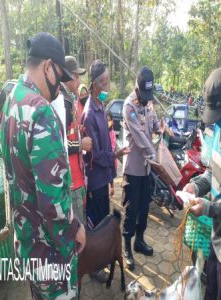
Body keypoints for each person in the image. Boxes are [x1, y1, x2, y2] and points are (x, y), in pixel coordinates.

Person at [0, 32, 86, 300]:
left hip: (26, 243)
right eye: (59, 79)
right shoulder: (42, 112)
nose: (59, 88)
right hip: (50, 254)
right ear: (47, 66)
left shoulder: (12, 99)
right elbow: (53, 202)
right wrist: (75, 230)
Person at [183, 68, 221, 300]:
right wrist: (196, 186)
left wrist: (208, 208)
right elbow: (211, 172)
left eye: (219, 115)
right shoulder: (220, 128)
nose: (216, 122)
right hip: (216, 240)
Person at [81, 59, 130, 282]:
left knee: (104, 224)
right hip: (95, 181)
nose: (107, 87)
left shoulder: (102, 108)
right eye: (104, 82)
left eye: (109, 82)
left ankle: (101, 261)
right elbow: (96, 155)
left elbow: (108, 144)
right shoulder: (89, 113)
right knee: (96, 226)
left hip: (104, 180)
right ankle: (93, 268)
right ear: (93, 85)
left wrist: (112, 178)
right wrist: (116, 156)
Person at [122, 66, 158, 271]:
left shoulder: (149, 103)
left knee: (144, 207)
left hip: (146, 169)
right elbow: (139, 136)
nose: (145, 99)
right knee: (131, 209)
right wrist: (154, 156)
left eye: (148, 95)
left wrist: (159, 126)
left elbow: (152, 127)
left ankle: (140, 241)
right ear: (136, 87)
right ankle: (127, 246)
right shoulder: (129, 106)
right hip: (134, 168)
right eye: (143, 95)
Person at [61, 56, 92, 222]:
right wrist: (81, 144)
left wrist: (78, 132)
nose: (79, 80)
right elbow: (60, 143)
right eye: (76, 76)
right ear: (67, 75)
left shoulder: (68, 99)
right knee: (79, 231)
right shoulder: (63, 102)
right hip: (72, 181)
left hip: (77, 177)